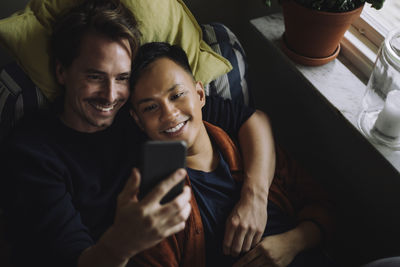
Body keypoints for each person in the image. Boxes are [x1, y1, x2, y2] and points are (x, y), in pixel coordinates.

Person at [0, 0, 276, 266]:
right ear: (62, 71)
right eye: (94, 76)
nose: (110, 96)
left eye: (121, 78)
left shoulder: (140, 112)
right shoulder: (32, 151)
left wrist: (255, 196)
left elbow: (253, 120)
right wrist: (123, 243)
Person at [128, 42, 335, 267]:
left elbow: (323, 206)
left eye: (177, 95)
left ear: (199, 94)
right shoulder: (156, 201)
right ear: (138, 121)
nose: (169, 114)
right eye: (150, 108)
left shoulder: (249, 148)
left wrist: (291, 243)